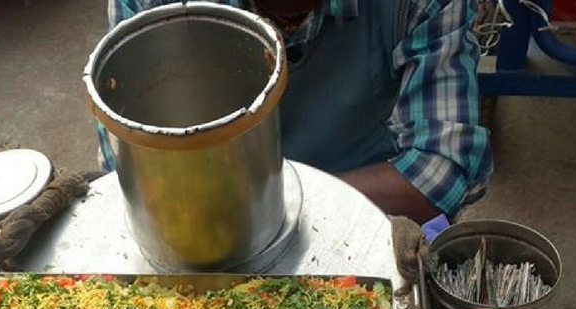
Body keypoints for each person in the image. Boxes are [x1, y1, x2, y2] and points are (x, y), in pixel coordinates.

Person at [102, 0, 492, 225]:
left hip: (361, 218)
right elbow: (129, 170)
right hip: (203, 225)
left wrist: (271, 201)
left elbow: (440, 172)